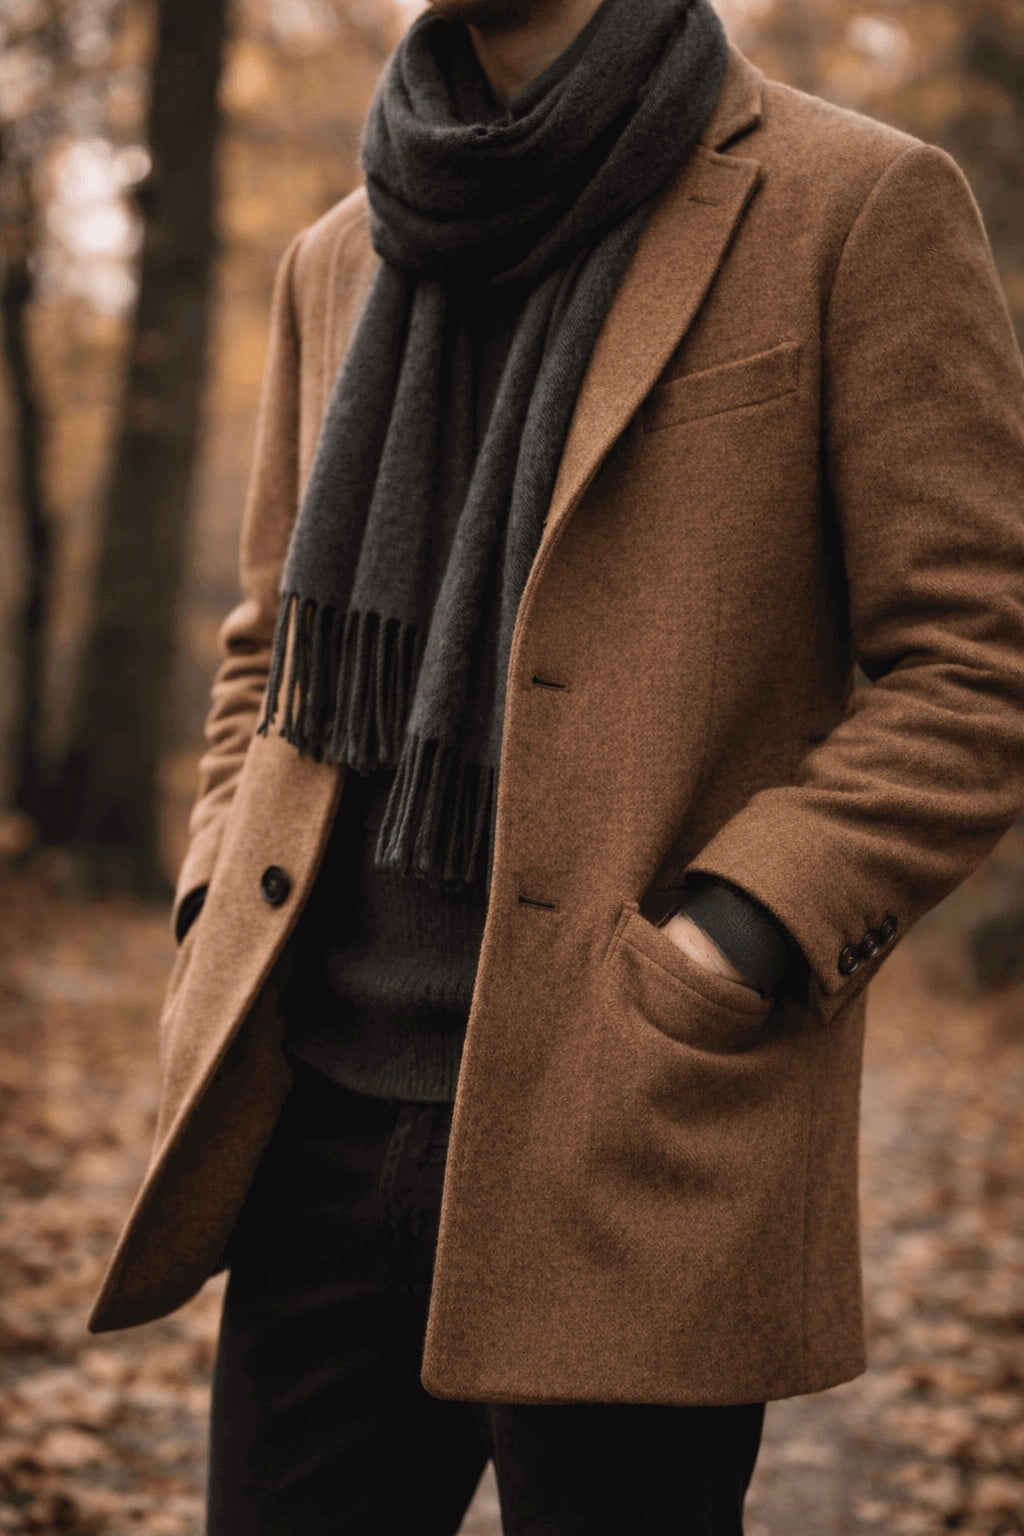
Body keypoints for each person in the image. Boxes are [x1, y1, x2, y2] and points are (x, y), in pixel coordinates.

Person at [88, 0, 1024, 1531]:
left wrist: (740, 934)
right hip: (317, 1114)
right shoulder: (339, 255)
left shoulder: (854, 203)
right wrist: (215, 909)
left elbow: (980, 663)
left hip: (632, 1118)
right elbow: (269, 649)